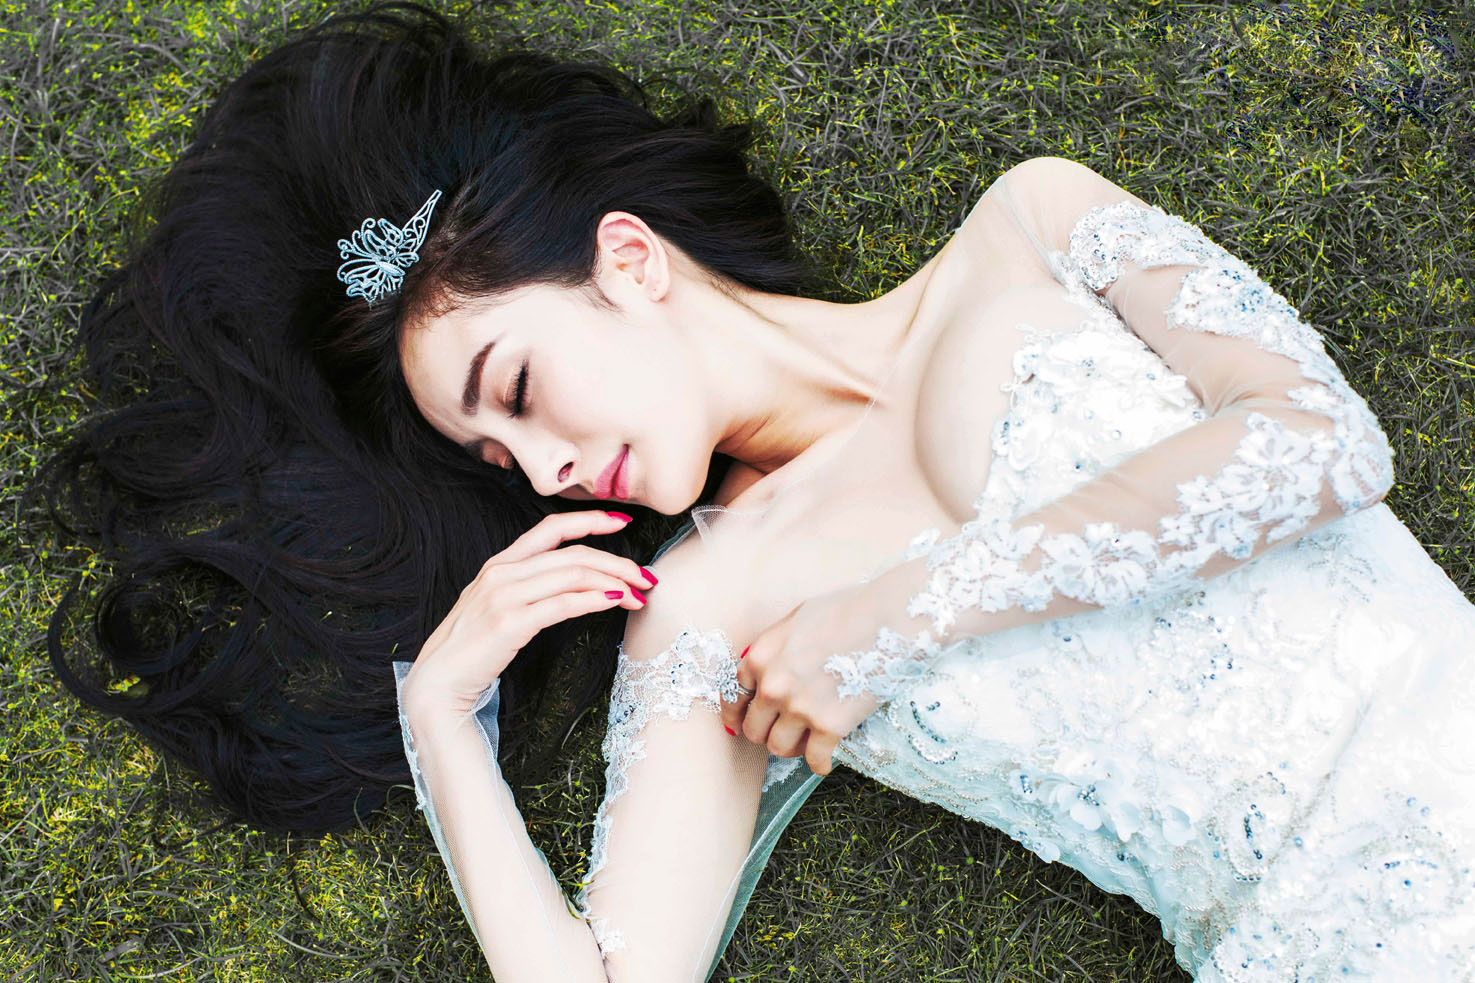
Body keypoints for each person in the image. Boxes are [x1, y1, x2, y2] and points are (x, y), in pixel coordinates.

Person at [43, 4, 1475, 981]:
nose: (541, 471)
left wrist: (901, 612)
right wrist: (441, 719)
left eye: (518, 389)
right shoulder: (704, 611)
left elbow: (1322, 443)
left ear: (628, 259)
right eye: (494, 461)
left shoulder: (1031, 223)